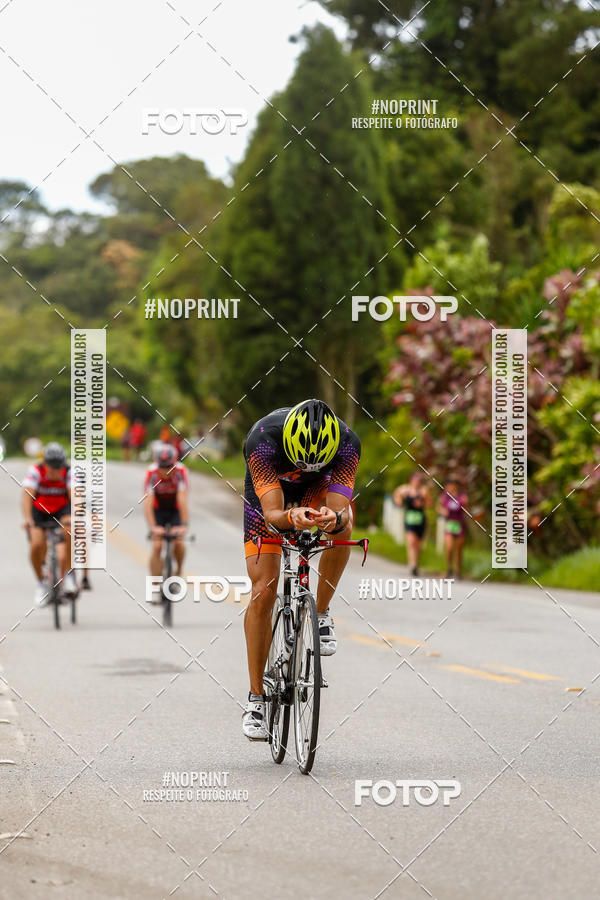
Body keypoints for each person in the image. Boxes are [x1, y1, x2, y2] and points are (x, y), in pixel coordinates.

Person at [241, 399, 361, 741]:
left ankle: (321, 613)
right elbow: (273, 514)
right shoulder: (262, 439)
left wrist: (331, 519)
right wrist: (290, 517)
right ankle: (256, 701)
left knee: (346, 525)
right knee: (264, 588)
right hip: (271, 498)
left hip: (317, 491)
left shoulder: (348, 445)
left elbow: (338, 512)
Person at [21, 442, 77, 606]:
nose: (55, 471)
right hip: (39, 511)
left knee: (68, 532)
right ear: (45, 464)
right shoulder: (35, 471)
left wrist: (74, 516)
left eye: (58, 467)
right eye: (52, 467)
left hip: (61, 510)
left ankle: (68, 575)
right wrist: (27, 519)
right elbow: (26, 496)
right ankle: (41, 582)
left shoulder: (68, 471)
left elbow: (74, 496)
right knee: (36, 545)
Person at [144, 443, 189, 602]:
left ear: (174, 463)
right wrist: (153, 527)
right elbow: (148, 502)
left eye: (169, 466)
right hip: (158, 509)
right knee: (157, 545)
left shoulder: (181, 471)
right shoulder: (151, 473)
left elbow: (182, 499)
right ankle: (155, 587)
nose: (165, 471)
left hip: (174, 508)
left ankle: (178, 571)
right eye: (162, 467)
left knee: (178, 541)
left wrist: (183, 525)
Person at [393, 470, 431, 576]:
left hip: (420, 519)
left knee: (418, 544)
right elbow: (396, 494)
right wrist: (398, 501)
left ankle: (416, 564)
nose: (417, 482)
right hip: (409, 518)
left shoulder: (424, 491)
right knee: (411, 542)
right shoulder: (405, 489)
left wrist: (423, 502)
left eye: (419, 480)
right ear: (411, 480)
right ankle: (412, 565)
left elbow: (429, 504)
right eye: (416, 479)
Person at [438, 479, 468, 579]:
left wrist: (466, 504)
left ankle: (458, 571)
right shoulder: (444, 497)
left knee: (459, 549)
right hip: (450, 524)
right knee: (449, 547)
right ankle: (449, 568)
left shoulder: (462, 497)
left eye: (451, 486)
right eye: (447, 486)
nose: (449, 488)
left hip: (460, 525)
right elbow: (438, 508)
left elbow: (467, 510)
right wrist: (443, 511)